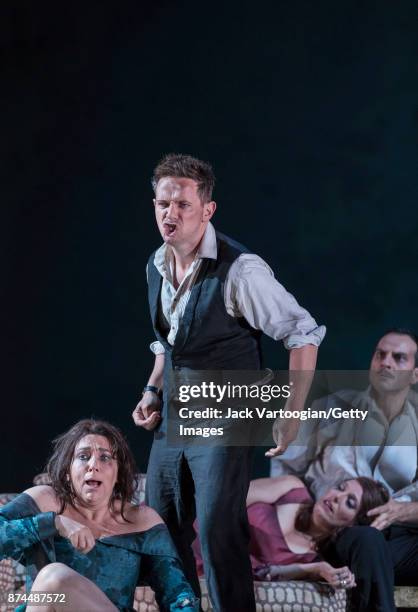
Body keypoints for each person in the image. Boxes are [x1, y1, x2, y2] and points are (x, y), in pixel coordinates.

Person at [132, 153, 325, 611]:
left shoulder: (242, 269)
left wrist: (291, 414)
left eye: (182, 204)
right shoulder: (156, 265)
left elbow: (303, 335)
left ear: (207, 209)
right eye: (163, 204)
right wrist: (152, 390)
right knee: (161, 529)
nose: (170, 214)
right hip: (176, 414)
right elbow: (170, 343)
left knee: (218, 528)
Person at [271, 328, 418, 612]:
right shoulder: (331, 407)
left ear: (414, 374)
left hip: (394, 537)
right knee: (368, 540)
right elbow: (285, 467)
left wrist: (404, 511)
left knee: (376, 547)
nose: (386, 363)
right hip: (335, 530)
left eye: (399, 358)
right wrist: (296, 524)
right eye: (380, 355)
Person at [0, 419, 198, 612]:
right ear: (68, 471)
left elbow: (177, 595)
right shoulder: (45, 500)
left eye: (105, 458)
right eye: (83, 456)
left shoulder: (142, 520)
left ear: (118, 474)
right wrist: (54, 522)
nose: (93, 465)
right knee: (53, 580)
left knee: (55, 578)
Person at [193, 474, 389, 590]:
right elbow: (223, 501)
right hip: (193, 536)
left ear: (353, 524)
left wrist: (315, 569)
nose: (337, 497)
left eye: (349, 502)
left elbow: (262, 576)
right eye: (340, 488)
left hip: (212, 576)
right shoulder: (292, 488)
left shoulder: (310, 560)